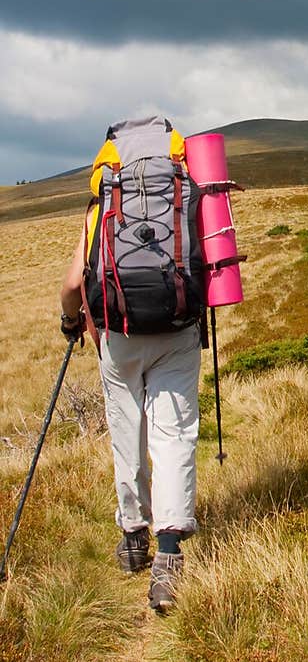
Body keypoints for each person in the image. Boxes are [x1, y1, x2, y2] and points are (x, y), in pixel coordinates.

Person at [60, 115, 204, 614]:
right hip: (177, 329)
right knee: (174, 433)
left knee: (128, 433)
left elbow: (73, 283)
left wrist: (70, 321)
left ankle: (133, 538)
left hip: (118, 336)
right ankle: (169, 557)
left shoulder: (104, 202)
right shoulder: (183, 189)